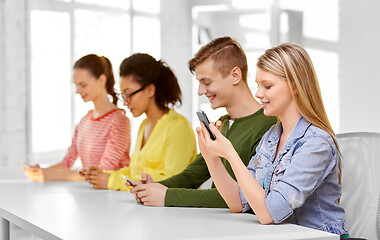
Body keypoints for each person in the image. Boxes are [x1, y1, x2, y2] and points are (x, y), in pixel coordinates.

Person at [196, 43, 350, 237]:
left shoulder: (316, 143)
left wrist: (230, 153)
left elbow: (268, 213)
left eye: (267, 86)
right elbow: (238, 202)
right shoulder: (271, 137)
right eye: (258, 85)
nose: (258, 94)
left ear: (294, 85)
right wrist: (212, 158)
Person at [129, 37, 277, 207]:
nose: (200, 91)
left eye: (206, 82)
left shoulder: (269, 126)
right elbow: (192, 176)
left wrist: (168, 196)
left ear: (235, 75)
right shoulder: (223, 124)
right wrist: (154, 187)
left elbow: (241, 197)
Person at [82, 53, 197, 190]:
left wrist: (112, 180)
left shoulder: (178, 127)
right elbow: (135, 172)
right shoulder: (144, 125)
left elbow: (174, 180)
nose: (125, 102)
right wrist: (103, 174)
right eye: (122, 95)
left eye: (128, 94)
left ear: (150, 90)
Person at [24, 54, 130, 181]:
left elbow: (102, 172)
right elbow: (67, 163)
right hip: (88, 193)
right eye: (76, 85)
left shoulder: (119, 121)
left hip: (112, 194)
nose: (78, 91)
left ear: (102, 80)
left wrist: (52, 175)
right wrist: (42, 171)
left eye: (83, 85)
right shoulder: (84, 121)